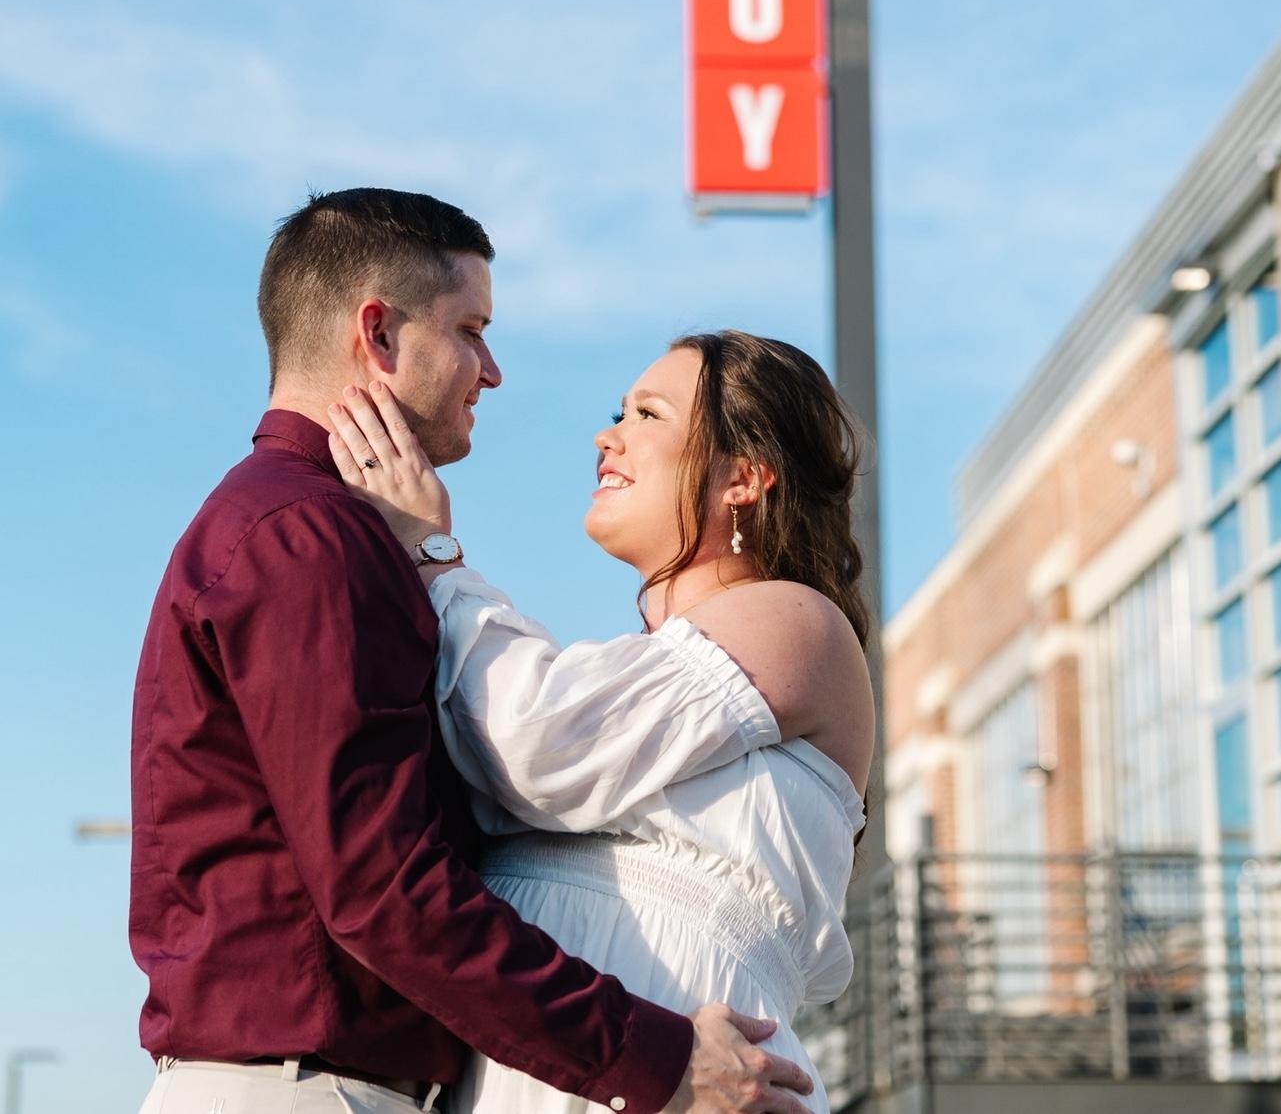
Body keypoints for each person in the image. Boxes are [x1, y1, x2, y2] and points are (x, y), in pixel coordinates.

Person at [130, 188, 819, 1114]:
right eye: (471, 330)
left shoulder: (299, 527)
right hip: (306, 1090)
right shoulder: (310, 537)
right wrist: (659, 1061)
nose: (491, 372)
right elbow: (384, 889)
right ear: (379, 334)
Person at [324, 328, 876, 1114]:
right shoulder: (637, 678)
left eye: (648, 414)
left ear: (744, 477)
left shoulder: (800, 623)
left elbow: (536, 741)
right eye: (620, 412)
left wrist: (434, 554)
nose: (606, 436)